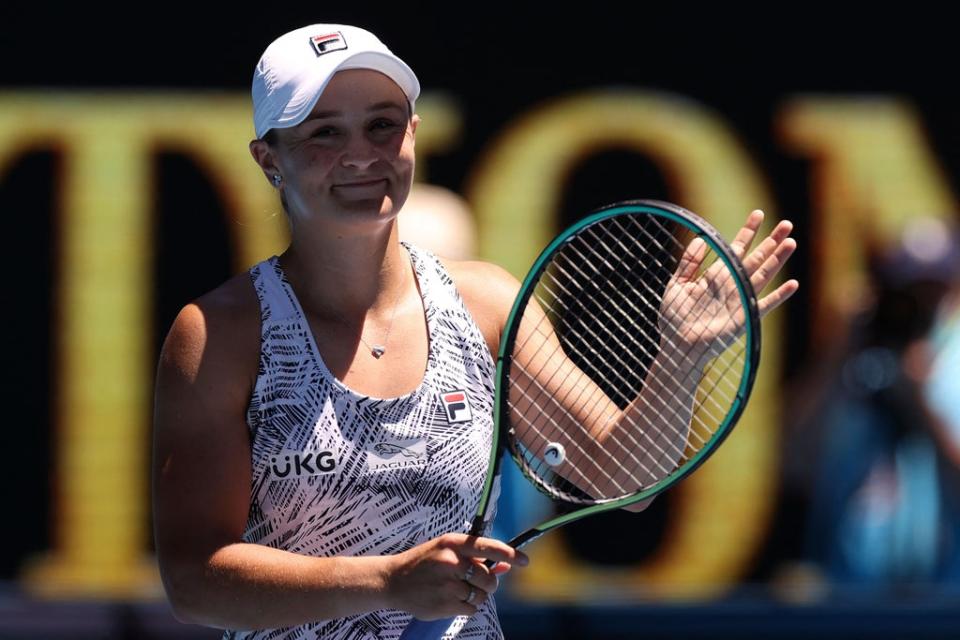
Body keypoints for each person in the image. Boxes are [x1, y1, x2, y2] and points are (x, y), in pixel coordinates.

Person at [152, 23, 799, 639]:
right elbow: (194, 582)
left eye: (382, 125)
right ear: (269, 159)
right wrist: (386, 581)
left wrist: (679, 359)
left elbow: (620, 481)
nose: (360, 155)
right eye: (324, 132)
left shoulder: (488, 302)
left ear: (413, 134)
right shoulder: (217, 334)